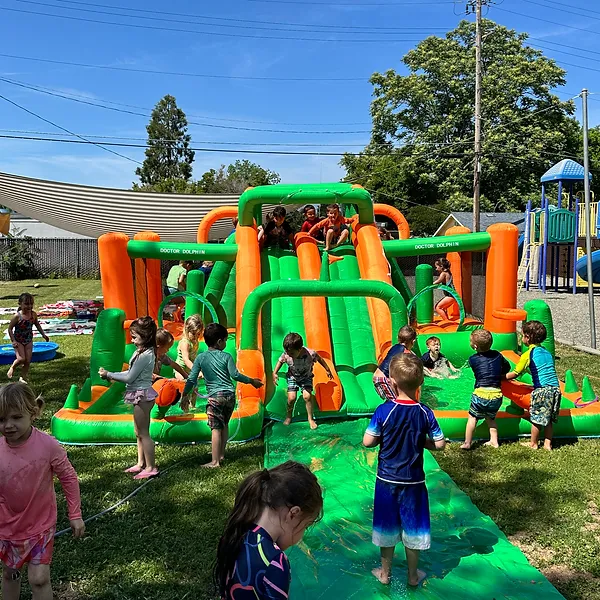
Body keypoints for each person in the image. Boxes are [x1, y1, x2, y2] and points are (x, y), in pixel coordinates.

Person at [363, 354, 445, 587]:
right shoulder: (425, 412)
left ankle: (385, 574)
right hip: (414, 482)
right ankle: (412, 575)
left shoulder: (383, 410)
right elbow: (439, 444)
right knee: (413, 528)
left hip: (387, 480)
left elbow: (368, 441)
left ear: (392, 383)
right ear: (420, 383)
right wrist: (423, 442)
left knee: (387, 526)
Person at [0, 382, 85, 600]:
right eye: (1, 419)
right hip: (7, 527)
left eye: (16, 417)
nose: (8, 425)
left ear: (34, 412)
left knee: (39, 579)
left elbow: (68, 477)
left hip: (40, 526)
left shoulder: (48, 446)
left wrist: (75, 515)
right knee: (10, 574)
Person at [214, 461, 323, 600]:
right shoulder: (274, 561)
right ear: (293, 514)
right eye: (305, 526)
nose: (301, 537)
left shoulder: (235, 534)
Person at [182, 323, 263, 468]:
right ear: (219, 341)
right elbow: (235, 375)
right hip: (230, 396)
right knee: (224, 425)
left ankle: (215, 461)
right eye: (225, 340)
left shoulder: (201, 358)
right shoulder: (226, 356)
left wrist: (184, 396)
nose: (225, 343)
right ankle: (220, 454)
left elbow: (192, 379)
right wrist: (252, 381)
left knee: (215, 428)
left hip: (215, 397)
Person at [99, 316, 159, 479]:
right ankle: (141, 463)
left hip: (142, 395)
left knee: (144, 433)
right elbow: (128, 373)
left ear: (145, 337)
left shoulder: (145, 355)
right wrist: (110, 375)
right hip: (139, 394)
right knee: (138, 431)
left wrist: (109, 374)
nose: (132, 340)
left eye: (134, 337)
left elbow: (129, 377)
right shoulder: (141, 352)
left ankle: (151, 467)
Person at [506, 320, 561, 450]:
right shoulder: (546, 352)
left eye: (523, 335)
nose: (521, 337)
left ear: (528, 337)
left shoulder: (528, 354)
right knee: (548, 420)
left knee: (536, 419)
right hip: (556, 390)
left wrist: (501, 377)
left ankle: (533, 443)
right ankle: (548, 444)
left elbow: (515, 373)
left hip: (542, 391)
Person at [461, 329, 511, 450]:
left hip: (481, 394)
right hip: (496, 395)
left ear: (475, 346)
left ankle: (467, 443)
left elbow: (479, 370)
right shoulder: (498, 355)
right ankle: (494, 441)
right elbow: (507, 367)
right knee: (491, 418)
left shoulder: (473, 359)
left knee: (473, 418)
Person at [273, 332, 333, 430]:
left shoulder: (310, 354)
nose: (288, 355)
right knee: (291, 398)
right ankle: (288, 416)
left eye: (291, 353)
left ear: (300, 349)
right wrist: (274, 373)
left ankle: (310, 418)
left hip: (306, 377)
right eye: (287, 352)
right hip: (293, 377)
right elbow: (280, 361)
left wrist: (327, 369)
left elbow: (320, 359)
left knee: (307, 396)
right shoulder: (287, 354)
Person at [6, 293, 49, 383]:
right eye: (26, 304)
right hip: (18, 340)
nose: (29, 306)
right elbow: (10, 329)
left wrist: (43, 335)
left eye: (31, 304)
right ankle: (12, 367)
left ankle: (23, 376)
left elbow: (37, 324)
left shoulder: (33, 315)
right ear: (20, 304)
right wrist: (13, 341)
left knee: (28, 360)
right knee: (21, 359)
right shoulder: (17, 316)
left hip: (28, 339)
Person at [372, 325, 417, 402]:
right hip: (383, 380)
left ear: (398, 338)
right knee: (397, 401)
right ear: (413, 341)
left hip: (378, 378)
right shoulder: (406, 353)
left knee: (393, 400)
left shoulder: (394, 347)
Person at [176, 315, 204, 385]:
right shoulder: (185, 343)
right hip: (180, 369)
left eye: (198, 334)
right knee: (183, 386)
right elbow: (186, 360)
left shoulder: (195, 341)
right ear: (187, 330)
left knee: (195, 388)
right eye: (193, 334)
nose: (196, 336)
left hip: (189, 369)